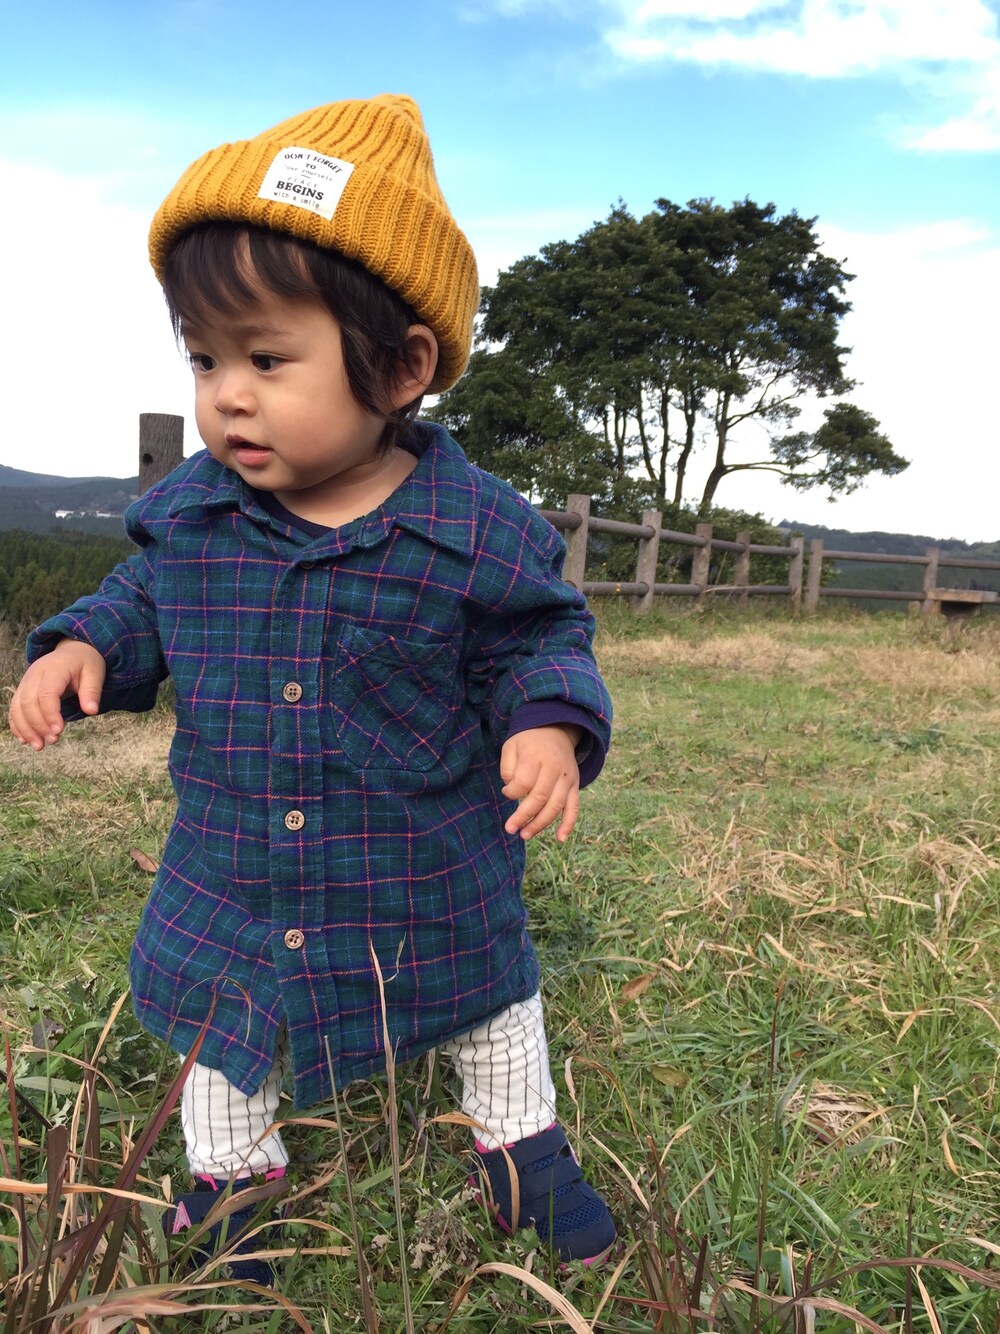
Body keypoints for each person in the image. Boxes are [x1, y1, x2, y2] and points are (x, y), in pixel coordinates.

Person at [7, 95, 616, 1279]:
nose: (227, 393)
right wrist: (83, 644)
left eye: (267, 358)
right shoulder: (194, 513)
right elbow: (143, 598)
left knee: (490, 995)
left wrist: (547, 720)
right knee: (219, 1022)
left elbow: (539, 635)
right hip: (231, 861)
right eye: (204, 357)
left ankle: (520, 1146)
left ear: (401, 364)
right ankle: (235, 1179)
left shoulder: (474, 526)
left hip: (423, 855)